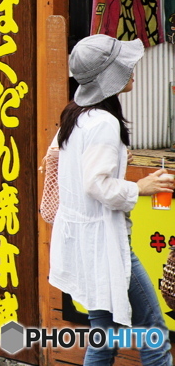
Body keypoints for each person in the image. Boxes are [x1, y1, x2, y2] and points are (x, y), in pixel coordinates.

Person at [49, 34, 172, 366]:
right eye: (124, 65)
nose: (132, 69)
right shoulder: (103, 122)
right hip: (106, 246)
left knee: (104, 337)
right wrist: (140, 186)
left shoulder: (77, 115)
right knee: (154, 335)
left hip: (87, 243)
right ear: (109, 76)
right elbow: (97, 185)